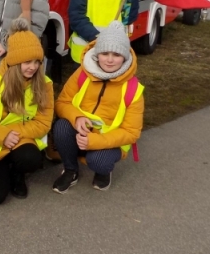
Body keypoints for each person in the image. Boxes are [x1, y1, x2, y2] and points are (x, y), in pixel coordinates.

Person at [0, 18, 53, 204]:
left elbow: (43, 122)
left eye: (37, 61)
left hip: (20, 140)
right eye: (27, 61)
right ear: (14, 61)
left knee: (31, 158)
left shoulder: (45, 84)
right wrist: (2, 135)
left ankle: (17, 173)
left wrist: (14, 134)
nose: (33, 67)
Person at [51, 21, 144, 193]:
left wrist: (95, 141)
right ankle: (71, 170)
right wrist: (77, 117)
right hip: (82, 131)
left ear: (125, 56)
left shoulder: (134, 89)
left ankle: (103, 172)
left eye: (116, 54)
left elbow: (132, 132)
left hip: (108, 140)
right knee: (62, 127)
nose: (109, 59)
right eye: (105, 53)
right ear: (97, 54)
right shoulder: (81, 73)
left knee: (98, 161)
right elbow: (62, 102)